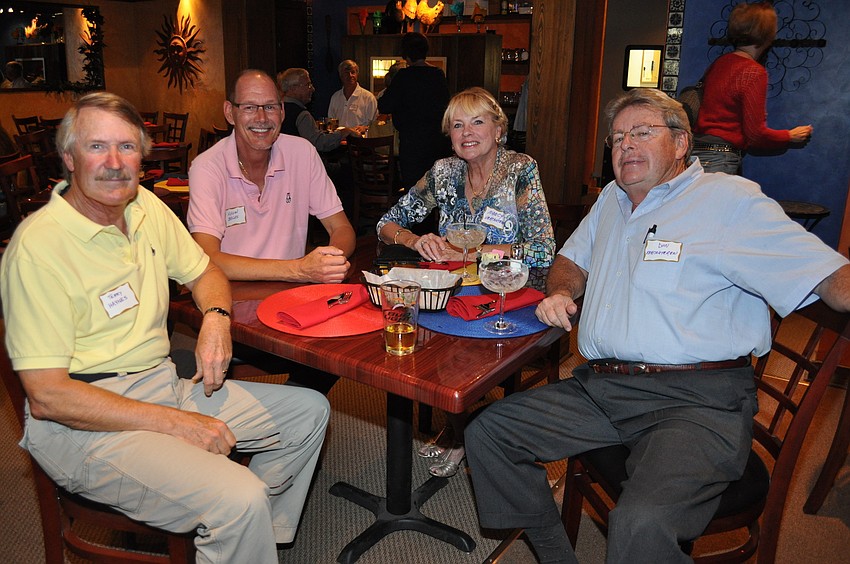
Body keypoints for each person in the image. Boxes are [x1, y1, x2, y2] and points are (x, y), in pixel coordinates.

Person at [464, 87, 850, 564]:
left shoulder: (729, 201)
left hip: (697, 402)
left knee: (640, 523)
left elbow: (834, 279)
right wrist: (561, 291)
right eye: (618, 137)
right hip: (605, 387)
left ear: (681, 143)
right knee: (490, 431)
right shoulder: (612, 198)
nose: (625, 144)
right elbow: (570, 259)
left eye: (642, 132)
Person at [0, 92, 331, 563]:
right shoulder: (38, 249)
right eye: (97, 147)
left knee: (308, 413)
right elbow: (50, 397)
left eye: (127, 147)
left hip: (160, 385)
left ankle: (252, 538)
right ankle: (238, 519)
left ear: (142, 156)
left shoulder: (145, 207)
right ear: (69, 158)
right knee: (238, 498)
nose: (115, 163)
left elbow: (206, 271)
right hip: (85, 426)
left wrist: (217, 320)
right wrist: (179, 425)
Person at [377, 86, 556, 477]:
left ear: (498, 128)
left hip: (509, 291)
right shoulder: (444, 172)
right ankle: (460, 426)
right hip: (454, 290)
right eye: (457, 124)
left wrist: (473, 255)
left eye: (478, 121)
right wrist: (413, 239)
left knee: (450, 344)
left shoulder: (519, 169)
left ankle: (463, 433)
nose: (467, 132)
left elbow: (543, 249)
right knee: (417, 334)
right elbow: (385, 223)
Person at [188, 69, 356, 284]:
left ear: (282, 112)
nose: (262, 118)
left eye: (270, 107)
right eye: (249, 107)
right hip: (232, 296)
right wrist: (299, 270)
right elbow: (208, 258)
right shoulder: (207, 167)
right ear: (229, 112)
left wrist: (328, 262)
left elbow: (341, 227)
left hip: (292, 295)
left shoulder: (302, 153)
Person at [692, 1, 812, 174]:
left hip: (697, 152)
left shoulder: (720, 63)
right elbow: (755, 135)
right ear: (767, 34)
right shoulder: (753, 72)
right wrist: (790, 136)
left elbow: (718, 110)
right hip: (721, 158)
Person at [378, 32, 452, 188]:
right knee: (437, 192)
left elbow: (384, 105)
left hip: (412, 145)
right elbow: (446, 107)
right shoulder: (438, 75)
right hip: (437, 145)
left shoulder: (403, 76)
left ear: (406, 55)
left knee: (414, 193)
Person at [278, 67, 360, 152]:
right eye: (308, 85)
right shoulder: (301, 115)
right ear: (293, 88)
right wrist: (344, 133)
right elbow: (319, 143)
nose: (312, 89)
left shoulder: (276, 109)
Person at [327, 59, 377, 130]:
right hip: (339, 139)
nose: (350, 75)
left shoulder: (368, 98)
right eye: (346, 73)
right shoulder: (335, 97)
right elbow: (330, 122)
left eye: (353, 72)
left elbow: (375, 125)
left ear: (357, 74)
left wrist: (365, 128)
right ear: (340, 75)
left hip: (360, 140)